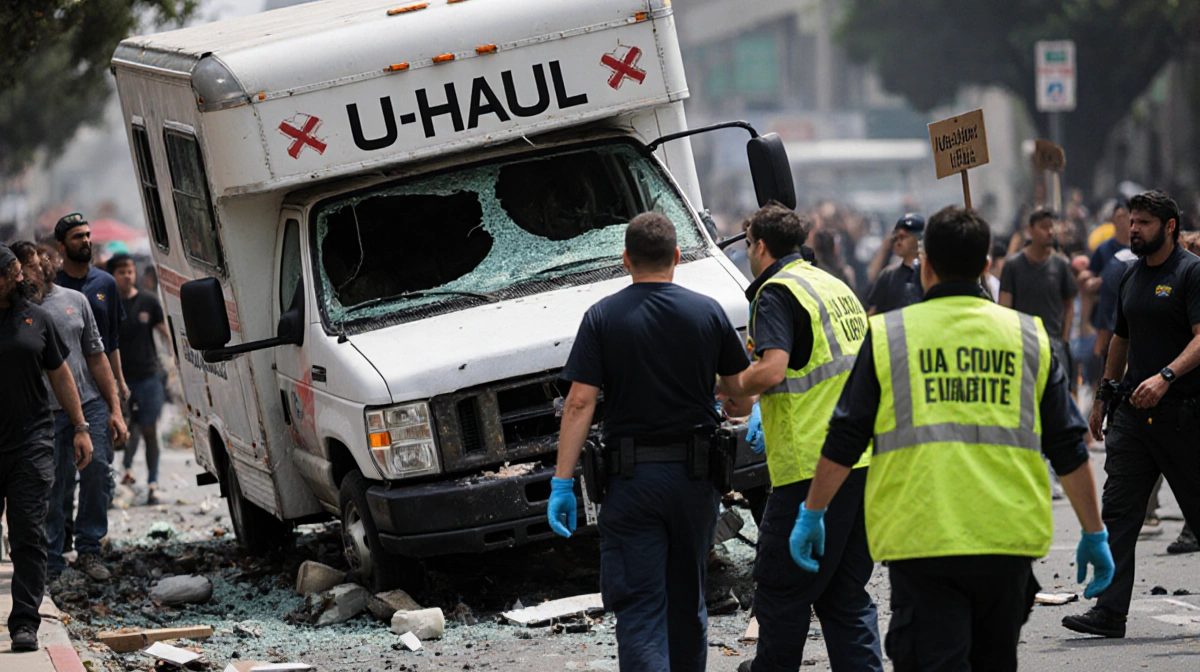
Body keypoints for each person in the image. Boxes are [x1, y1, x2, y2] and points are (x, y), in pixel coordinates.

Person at [788, 206, 1113, 671]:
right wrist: (1093, 531)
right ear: (986, 266)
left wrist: (812, 512)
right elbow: (1067, 444)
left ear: (925, 265)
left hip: (923, 541)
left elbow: (844, 438)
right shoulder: (1028, 336)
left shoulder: (888, 336)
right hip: (1007, 542)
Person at [546, 212, 751, 671]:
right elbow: (739, 396)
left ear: (625, 261)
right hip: (695, 482)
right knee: (687, 603)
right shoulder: (708, 312)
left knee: (640, 609)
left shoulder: (602, 317)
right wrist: (733, 404)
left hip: (631, 482)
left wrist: (562, 483)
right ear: (677, 257)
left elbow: (580, 403)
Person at [734, 203, 882, 671]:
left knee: (781, 593)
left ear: (760, 245)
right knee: (844, 596)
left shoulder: (775, 293)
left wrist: (733, 387)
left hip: (810, 472)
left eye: (747, 245)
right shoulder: (833, 285)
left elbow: (774, 366)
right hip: (862, 463)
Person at [1065, 190, 1200, 637]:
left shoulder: (1191, 273)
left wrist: (1166, 376)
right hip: (1133, 417)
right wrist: (1103, 397)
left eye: (1144, 222)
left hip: (1184, 415)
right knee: (1120, 513)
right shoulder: (1128, 275)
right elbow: (1120, 339)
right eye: (1132, 221)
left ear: (1170, 227)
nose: (1134, 229)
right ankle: (1110, 610)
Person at [0, 244, 94, 652]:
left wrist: (80, 426)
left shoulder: (36, 320)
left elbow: (61, 377)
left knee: (28, 532)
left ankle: (24, 622)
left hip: (30, 443)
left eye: (18, 271)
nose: (20, 276)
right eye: (13, 271)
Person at [29, 242, 127, 581]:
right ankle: (54, 559)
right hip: (45, 412)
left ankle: (89, 549)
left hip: (89, 403)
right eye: (31, 263)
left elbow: (97, 358)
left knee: (97, 470)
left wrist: (115, 408)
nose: (39, 267)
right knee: (54, 486)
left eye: (44, 261)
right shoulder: (16, 313)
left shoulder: (76, 301)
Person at [109, 254, 171, 501]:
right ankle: (126, 469)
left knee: (149, 429)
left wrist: (176, 359)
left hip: (148, 377)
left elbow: (164, 332)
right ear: (113, 275)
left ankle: (153, 482)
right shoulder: (109, 305)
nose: (127, 275)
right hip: (121, 379)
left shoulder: (148, 301)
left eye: (130, 271)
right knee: (127, 429)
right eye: (122, 271)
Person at [54, 213, 128, 401]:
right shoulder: (53, 286)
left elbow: (113, 341)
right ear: (62, 246)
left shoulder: (106, 283)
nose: (86, 241)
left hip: (103, 383)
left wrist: (119, 381)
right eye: (77, 237)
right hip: (68, 386)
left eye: (87, 235)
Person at [999, 208, 1078, 379]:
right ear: (1030, 230)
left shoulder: (1060, 265)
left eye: (1052, 226)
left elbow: (1069, 304)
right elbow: (1004, 307)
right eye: (1043, 227)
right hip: (1022, 345)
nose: (1050, 232)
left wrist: (1064, 339)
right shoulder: (1013, 266)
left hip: (1053, 345)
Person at [865, 213, 924, 316]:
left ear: (918, 238)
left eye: (903, 237)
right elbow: (874, 309)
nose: (898, 242)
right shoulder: (888, 276)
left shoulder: (928, 273)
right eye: (895, 238)